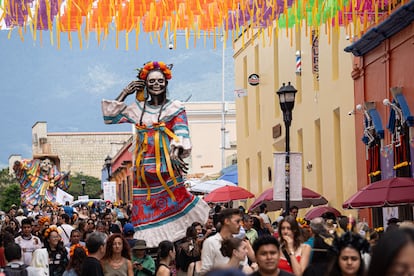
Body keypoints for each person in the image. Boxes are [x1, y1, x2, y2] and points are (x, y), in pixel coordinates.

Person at [101, 61, 209, 247]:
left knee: (177, 200)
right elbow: (110, 117)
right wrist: (126, 92)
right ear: (145, 84)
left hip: (167, 166)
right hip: (143, 171)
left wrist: (176, 150)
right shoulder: (138, 109)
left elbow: (181, 130)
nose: (156, 84)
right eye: (152, 81)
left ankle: (179, 246)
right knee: (145, 208)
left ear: (166, 83)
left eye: (160, 81)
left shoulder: (174, 107)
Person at [201, 208, 242, 273]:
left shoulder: (239, 243)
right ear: (227, 221)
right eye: (237, 221)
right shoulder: (210, 242)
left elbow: (244, 266)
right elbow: (205, 270)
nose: (240, 224)